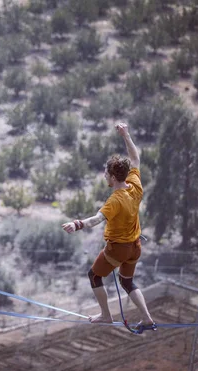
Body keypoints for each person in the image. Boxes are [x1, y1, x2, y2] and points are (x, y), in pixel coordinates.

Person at [62, 123, 154, 328]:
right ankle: (147, 318)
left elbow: (95, 220)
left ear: (113, 177)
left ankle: (106, 315)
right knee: (127, 282)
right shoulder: (135, 185)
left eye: (106, 174)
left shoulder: (115, 200)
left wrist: (75, 225)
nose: (104, 176)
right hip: (135, 247)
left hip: (118, 249)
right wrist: (126, 135)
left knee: (94, 276)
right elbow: (136, 159)